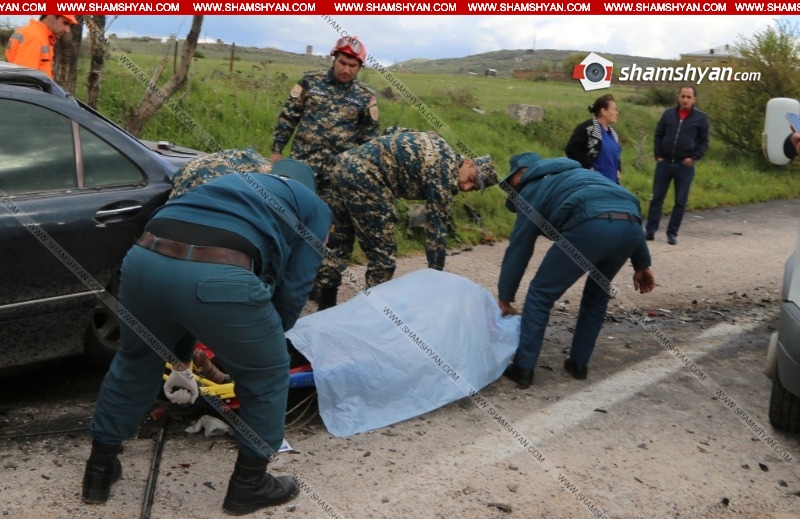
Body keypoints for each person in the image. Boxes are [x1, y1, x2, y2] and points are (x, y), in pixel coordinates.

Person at [81, 158, 332, 516]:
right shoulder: (314, 207)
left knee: (136, 359)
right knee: (267, 375)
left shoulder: (235, 181)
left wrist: (181, 361)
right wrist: (261, 346)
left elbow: (181, 300)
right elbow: (293, 289)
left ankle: (99, 470)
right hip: (220, 270)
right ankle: (250, 485)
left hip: (143, 261)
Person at [497, 152, 655, 389]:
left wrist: (505, 297)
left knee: (540, 293)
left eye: (511, 182)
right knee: (597, 295)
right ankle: (578, 364)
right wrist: (642, 264)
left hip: (590, 227)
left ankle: (523, 368)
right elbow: (624, 204)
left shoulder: (531, 188)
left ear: (520, 175)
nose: (511, 189)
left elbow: (519, 247)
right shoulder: (579, 174)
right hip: (631, 226)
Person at [315, 130, 496, 309]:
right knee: (382, 258)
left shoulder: (437, 141)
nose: (467, 187)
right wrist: (436, 276)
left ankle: (325, 304)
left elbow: (392, 131)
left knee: (339, 240)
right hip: (368, 178)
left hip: (344, 164)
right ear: (468, 162)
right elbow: (436, 228)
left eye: (473, 188)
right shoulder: (445, 174)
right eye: (471, 179)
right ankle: (369, 314)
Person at [269, 35, 379, 203]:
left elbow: (369, 138)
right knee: (293, 204)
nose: (346, 70)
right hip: (302, 163)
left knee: (328, 213)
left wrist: (368, 170)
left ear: (360, 67)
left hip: (337, 170)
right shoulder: (310, 82)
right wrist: (277, 150)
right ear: (334, 59)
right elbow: (289, 117)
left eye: (352, 66)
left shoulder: (365, 95)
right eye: (342, 63)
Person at [645, 86, 710, 245]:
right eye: (683, 96)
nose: (685, 99)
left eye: (688, 97)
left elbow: (704, 142)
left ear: (694, 99)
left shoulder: (700, 118)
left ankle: (672, 233)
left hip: (684, 166)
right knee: (657, 197)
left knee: (680, 201)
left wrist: (694, 158)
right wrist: (658, 154)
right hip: (665, 163)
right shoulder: (668, 114)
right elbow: (658, 134)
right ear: (678, 97)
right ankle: (650, 230)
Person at [565, 93, 622, 184]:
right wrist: (589, 168)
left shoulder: (613, 133)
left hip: (612, 183)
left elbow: (615, 155)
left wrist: (618, 170)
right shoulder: (587, 129)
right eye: (614, 109)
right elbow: (571, 149)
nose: (617, 113)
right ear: (604, 111)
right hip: (593, 183)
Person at [4, 15, 78, 79]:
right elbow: (25, 80)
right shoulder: (34, 37)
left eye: (70, 26)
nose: (67, 30)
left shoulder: (42, 37)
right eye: (65, 23)